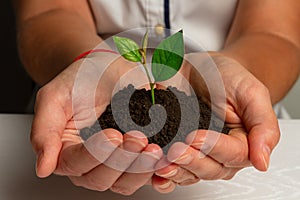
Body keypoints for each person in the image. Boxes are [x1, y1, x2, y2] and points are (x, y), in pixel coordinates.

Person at [12, 0, 300, 196]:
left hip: (230, 105)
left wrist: (215, 73)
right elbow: (46, 12)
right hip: (77, 104)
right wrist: (94, 66)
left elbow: (274, 33)